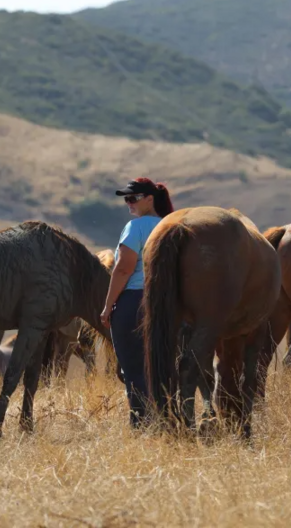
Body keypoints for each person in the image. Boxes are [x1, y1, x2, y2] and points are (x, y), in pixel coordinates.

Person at [100, 177, 175, 427]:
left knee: (133, 369)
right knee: (163, 367)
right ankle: (168, 420)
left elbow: (123, 269)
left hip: (134, 301)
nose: (128, 203)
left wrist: (108, 305)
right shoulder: (170, 225)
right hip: (168, 302)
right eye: (126, 199)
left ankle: (142, 424)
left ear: (149, 199)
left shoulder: (136, 227)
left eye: (133, 198)